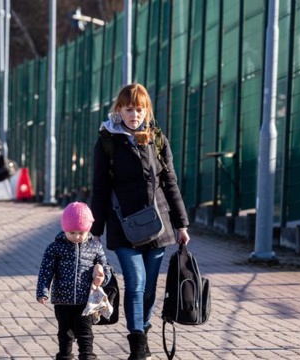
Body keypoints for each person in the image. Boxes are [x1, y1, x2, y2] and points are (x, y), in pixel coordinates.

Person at [90, 83, 190, 360]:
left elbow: (170, 183)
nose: (135, 114)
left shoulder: (157, 138)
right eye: (129, 109)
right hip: (123, 225)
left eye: (140, 109)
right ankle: (137, 345)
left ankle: (143, 329)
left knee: (149, 288)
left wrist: (182, 225)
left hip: (158, 226)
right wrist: (95, 231)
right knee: (135, 282)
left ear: (147, 111)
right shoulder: (108, 141)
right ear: (119, 110)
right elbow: (99, 188)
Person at [36, 202, 111, 360]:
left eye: (81, 232)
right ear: (64, 229)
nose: (77, 236)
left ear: (88, 229)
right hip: (62, 300)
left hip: (86, 301)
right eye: (72, 232)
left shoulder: (95, 247)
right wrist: (43, 291)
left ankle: (87, 355)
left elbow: (106, 268)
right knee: (65, 332)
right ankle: (65, 355)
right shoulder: (55, 248)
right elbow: (46, 271)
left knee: (85, 332)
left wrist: (101, 276)